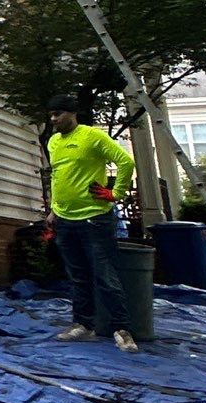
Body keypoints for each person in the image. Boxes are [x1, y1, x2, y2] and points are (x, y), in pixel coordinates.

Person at [44, 94, 139, 351]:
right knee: (78, 277)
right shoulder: (53, 142)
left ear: (73, 114)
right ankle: (83, 325)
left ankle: (122, 329)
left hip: (94, 219)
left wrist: (116, 193)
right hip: (65, 219)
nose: (53, 120)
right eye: (51, 115)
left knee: (105, 276)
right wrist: (54, 210)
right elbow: (58, 177)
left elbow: (125, 161)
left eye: (58, 114)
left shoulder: (92, 136)